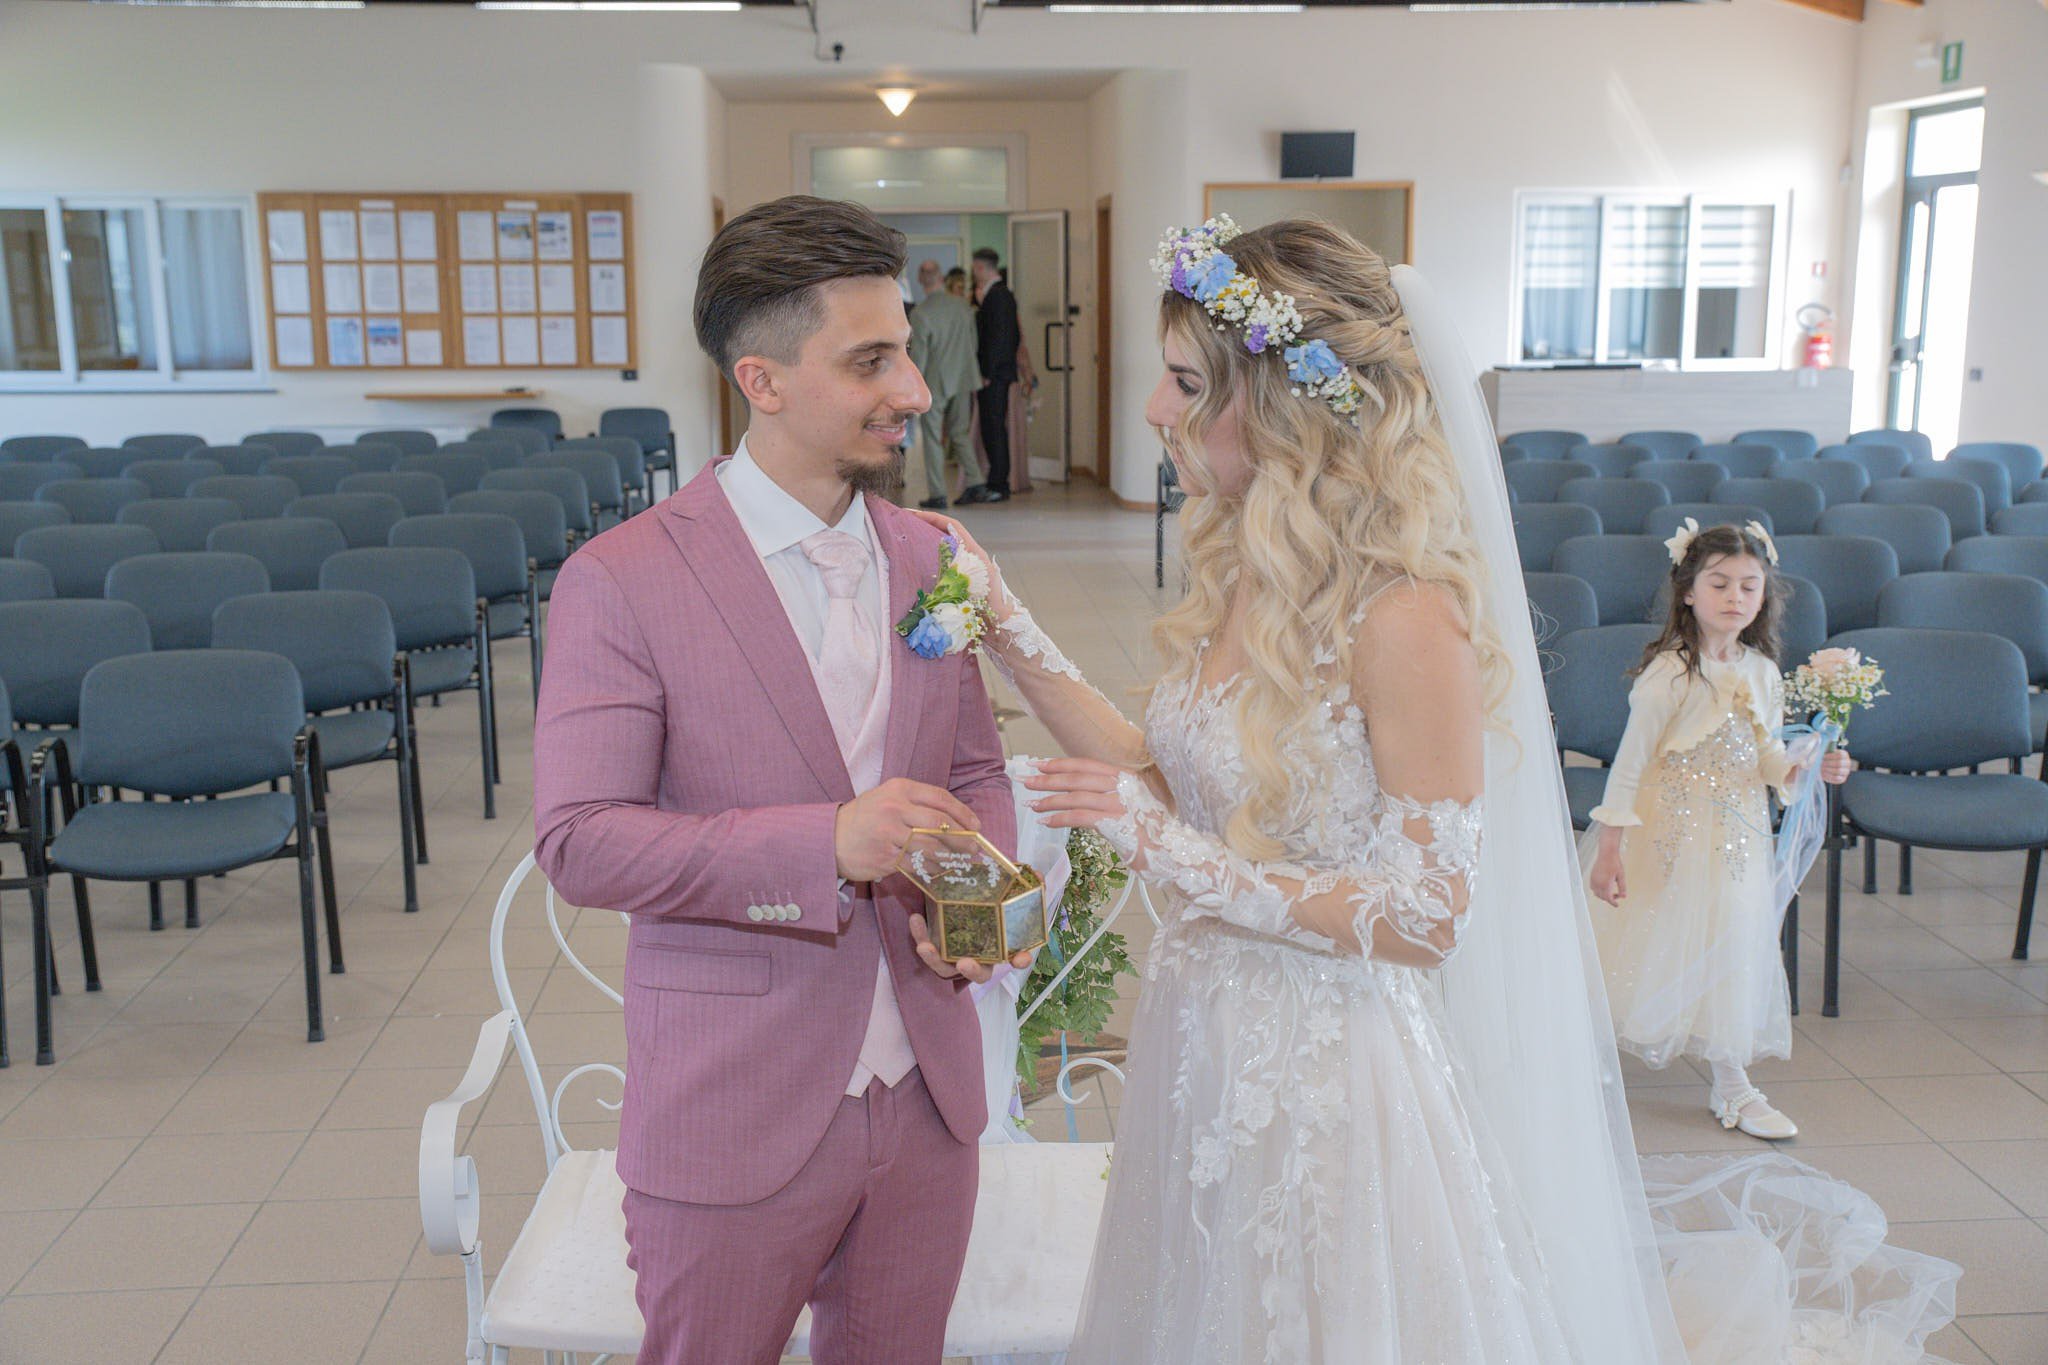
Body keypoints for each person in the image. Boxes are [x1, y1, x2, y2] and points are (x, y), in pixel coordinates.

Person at [924, 216, 1959, 1363]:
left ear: (1284, 402)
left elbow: (1425, 914)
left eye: (1182, 384)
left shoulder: (1406, 614)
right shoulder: (1246, 575)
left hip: (1328, 1068)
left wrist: (1162, 851)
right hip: (1202, 1027)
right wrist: (1003, 622)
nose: (1155, 412)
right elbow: (1163, 776)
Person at [531, 194, 1030, 1365]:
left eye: (903, 348)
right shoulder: (623, 578)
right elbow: (581, 839)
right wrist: (825, 844)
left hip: (924, 1100)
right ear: (761, 381)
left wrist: (988, 903)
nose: (912, 388)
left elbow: (971, 768)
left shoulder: (931, 556)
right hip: (733, 1100)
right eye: (871, 361)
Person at [1585, 521, 1852, 1141]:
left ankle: (1732, 1083)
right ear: (1688, 591)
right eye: (1720, 583)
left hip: (1736, 837)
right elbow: (1627, 769)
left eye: (1749, 586)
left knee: (1731, 944)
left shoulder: (1761, 671)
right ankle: (1583, 1062)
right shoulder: (1670, 675)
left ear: (1764, 598)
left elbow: (1766, 762)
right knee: (1633, 946)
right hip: (1666, 836)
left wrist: (1812, 761)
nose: (1735, 596)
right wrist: (1609, 850)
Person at [907, 258, 985, 510]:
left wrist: (912, 388)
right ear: (941, 278)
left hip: (935, 382)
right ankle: (975, 482)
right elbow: (973, 343)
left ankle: (938, 493)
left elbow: (919, 357)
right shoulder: (963, 306)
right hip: (963, 376)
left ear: (920, 280)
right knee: (960, 432)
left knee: (931, 436)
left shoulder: (921, 314)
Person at [970, 247, 1020, 502]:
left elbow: (999, 339)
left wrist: (987, 372)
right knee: (992, 426)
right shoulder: (996, 295)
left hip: (995, 375)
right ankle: (996, 480)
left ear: (980, 267)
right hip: (997, 372)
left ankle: (999, 483)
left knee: (994, 427)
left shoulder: (998, 296)